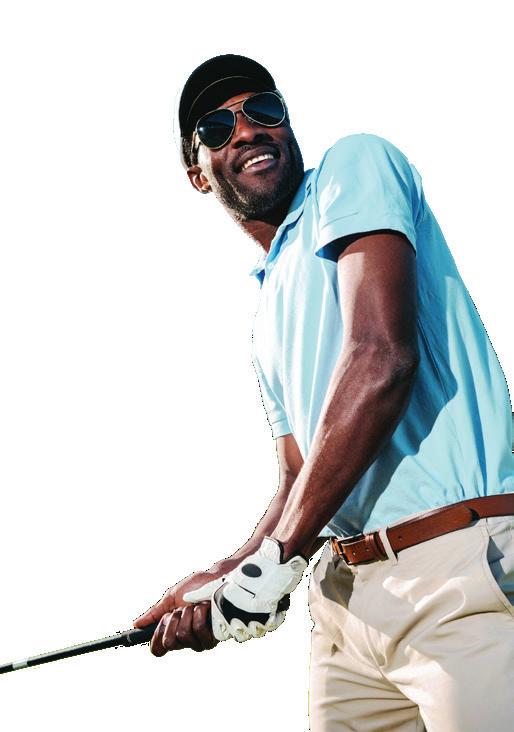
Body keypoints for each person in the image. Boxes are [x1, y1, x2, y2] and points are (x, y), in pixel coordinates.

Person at [132, 54, 514, 731]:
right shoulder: (267, 311)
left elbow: (382, 360)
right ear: (198, 173)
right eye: (217, 127)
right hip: (343, 606)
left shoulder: (353, 167)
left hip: (454, 567)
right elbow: (297, 479)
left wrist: (276, 561)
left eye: (263, 109)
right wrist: (226, 577)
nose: (247, 130)